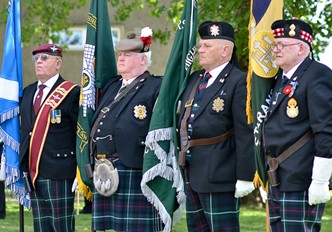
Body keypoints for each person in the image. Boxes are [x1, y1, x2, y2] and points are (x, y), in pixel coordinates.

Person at [176, 21, 255, 231]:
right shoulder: (195, 79)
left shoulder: (239, 81)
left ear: (225, 50)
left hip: (220, 172)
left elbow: (245, 133)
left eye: (207, 46)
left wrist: (245, 176)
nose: (200, 50)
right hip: (191, 169)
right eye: (200, 45)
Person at [262, 18, 332, 231]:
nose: (276, 50)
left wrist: (320, 180)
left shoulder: (318, 75)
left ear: (301, 48)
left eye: (282, 45)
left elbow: (326, 131)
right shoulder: (281, 79)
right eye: (275, 45)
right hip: (279, 177)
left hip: (303, 179)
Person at [89, 27, 163, 231]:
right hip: (104, 166)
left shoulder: (156, 86)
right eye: (120, 55)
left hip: (134, 166)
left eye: (127, 55)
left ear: (142, 60)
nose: (121, 59)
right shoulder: (112, 86)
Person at [19, 44, 80, 232]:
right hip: (33, 170)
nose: (38, 62)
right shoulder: (29, 92)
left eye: (44, 58)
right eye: (36, 59)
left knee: (61, 226)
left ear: (58, 63)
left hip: (60, 169)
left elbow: (80, 133)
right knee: (41, 226)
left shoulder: (71, 93)